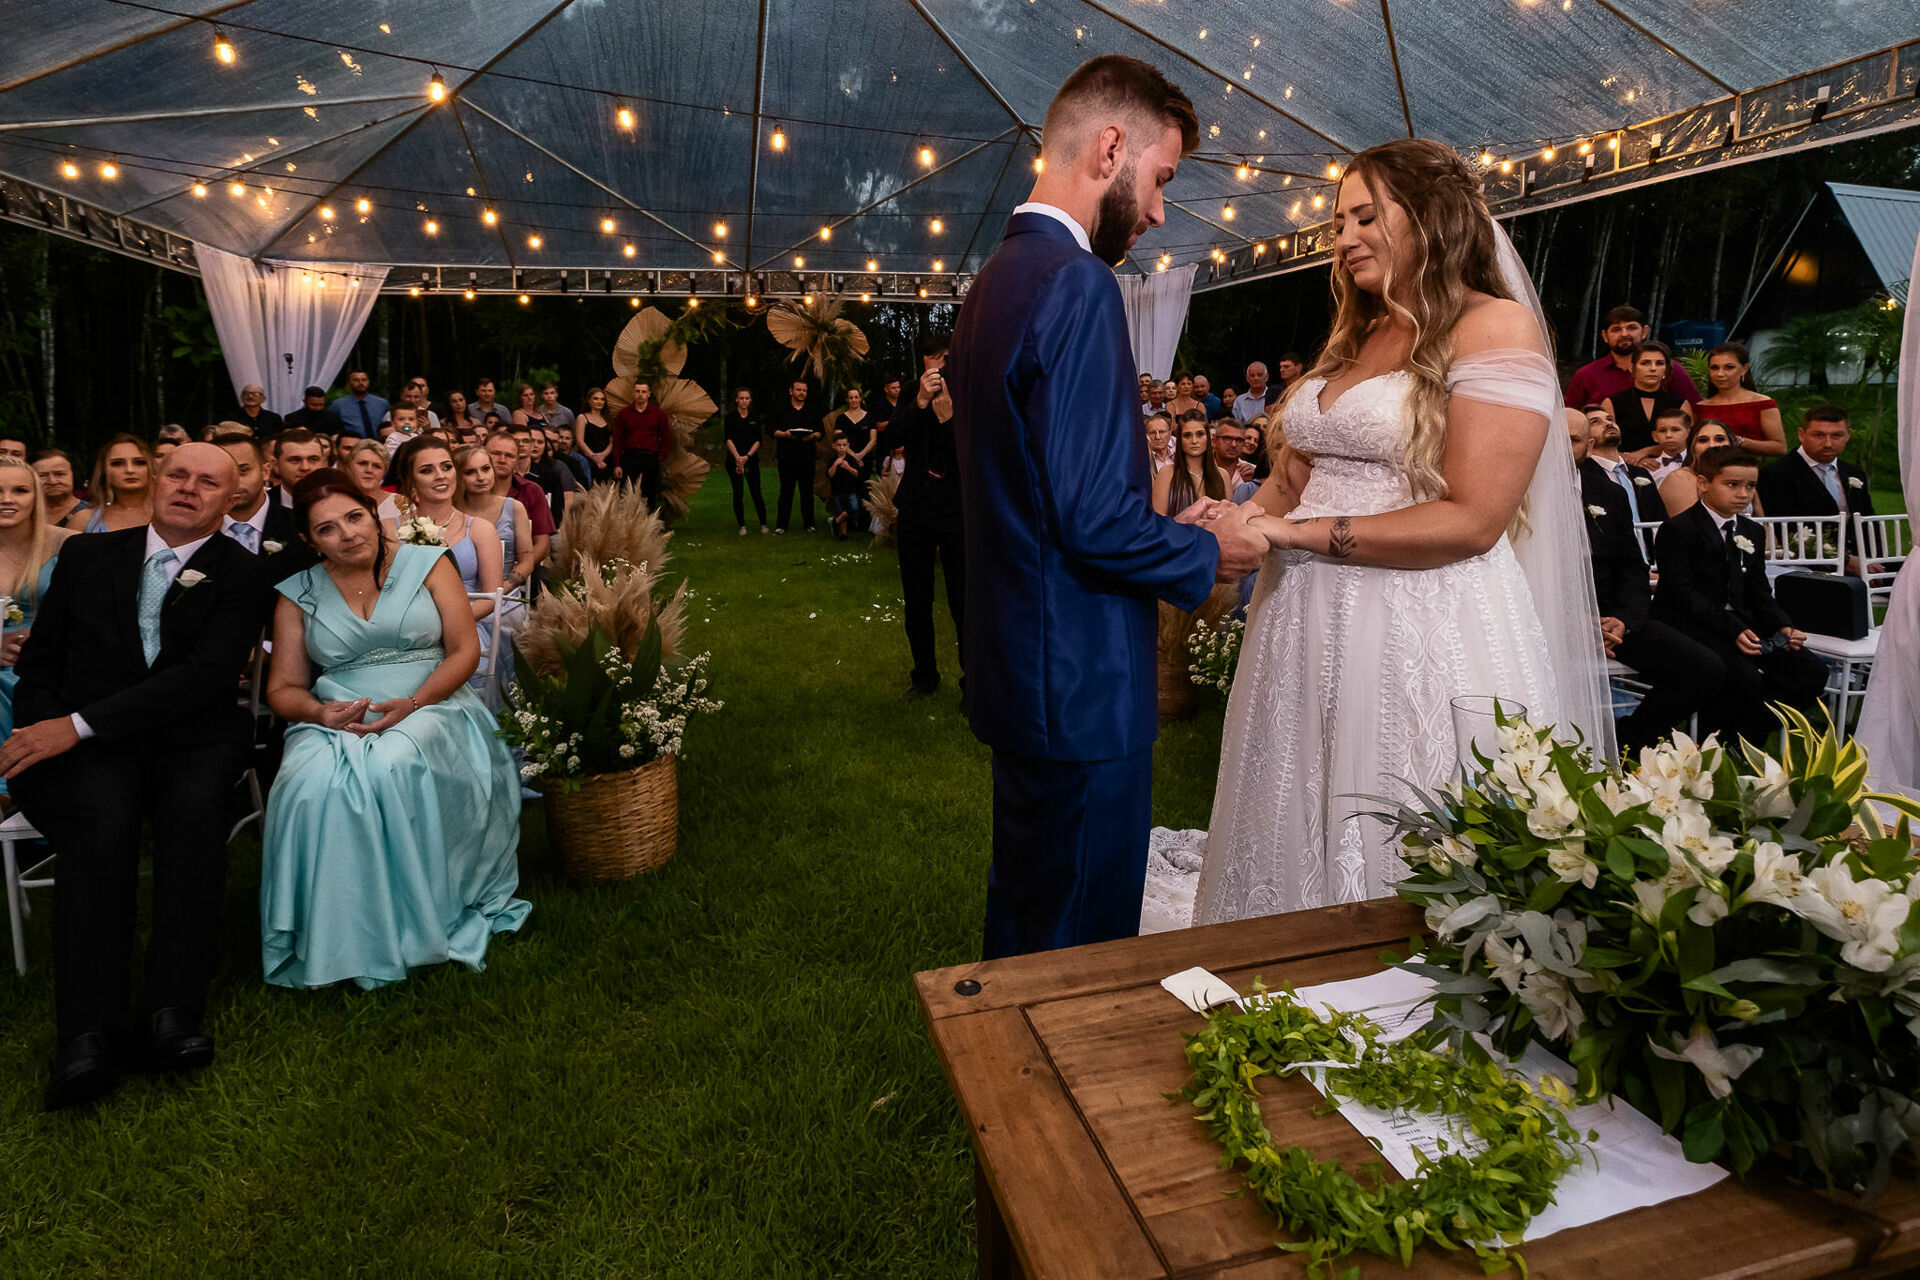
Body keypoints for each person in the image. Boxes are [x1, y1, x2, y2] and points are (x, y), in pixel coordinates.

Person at [1191, 136, 1611, 925]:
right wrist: (1226, 522)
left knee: (1399, 806)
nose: (1343, 237)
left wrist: (1294, 538)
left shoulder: (1497, 329)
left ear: (1429, 217)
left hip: (1421, 620)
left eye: (1363, 217)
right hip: (1304, 620)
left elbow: (1473, 519)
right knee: (1295, 798)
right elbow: (1294, 476)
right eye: (1338, 222)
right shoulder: (1359, 332)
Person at [951, 54, 1262, 958]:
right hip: (1082, 679)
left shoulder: (998, 281)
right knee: (1081, 950)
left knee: (1029, 915)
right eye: (1162, 178)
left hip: (1023, 666)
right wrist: (1212, 556)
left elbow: (1046, 494)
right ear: (1112, 147)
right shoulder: (1080, 284)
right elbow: (1087, 518)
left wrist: (1167, 526)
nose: (1161, 208)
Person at [4, 443, 272, 1109]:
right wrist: (43, 731)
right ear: (156, 481)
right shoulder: (88, 557)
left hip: (193, 739)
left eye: (208, 482)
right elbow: (40, 666)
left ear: (230, 498)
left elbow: (203, 678)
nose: (189, 488)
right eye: (178, 474)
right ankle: (87, 1033)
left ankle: (172, 1012)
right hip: (89, 749)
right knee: (101, 823)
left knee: (192, 816)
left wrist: (77, 724)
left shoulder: (242, 575)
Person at [260, 471, 528, 991]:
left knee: (391, 764)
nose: (348, 534)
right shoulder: (296, 595)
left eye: (355, 517)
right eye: (327, 529)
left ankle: (412, 922)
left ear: (374, 512)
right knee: (305, 783)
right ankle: (334, 935)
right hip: (338, 714)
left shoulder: (427, 563)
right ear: (309, 541)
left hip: (434, 702)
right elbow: (285, 688)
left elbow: (465, 651)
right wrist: (318, 715)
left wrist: (413, 702)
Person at [1651, 446, 1828, 743]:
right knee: (1742, 674)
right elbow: (1682, 593)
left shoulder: (1752, 531)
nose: (1743, 494)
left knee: (1810, 670)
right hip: (1690, 622)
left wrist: (1781, 624)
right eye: (1732, 485)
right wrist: (1734, 629)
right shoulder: (1678, 530)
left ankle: (1749, 728)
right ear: (1704, 484)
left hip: (1741, 621)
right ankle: (1724, 738)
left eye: (1750, 486)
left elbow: (1758, 588)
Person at [1568, 410, 1719, 752]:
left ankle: (1628, 739)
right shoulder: (1521, 495)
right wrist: (1578, 626)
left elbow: (1632, 568)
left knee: (1704, 668)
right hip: (1549, 622)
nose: (1562, 448)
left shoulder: (1609, 494)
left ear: (1588, 446)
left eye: (1573, 440)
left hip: (1612, 617)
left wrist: (1624, 620)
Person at [892, 346, 971, 702]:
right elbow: (892, 438)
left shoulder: (968, 389)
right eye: (930, 360)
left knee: (964, 602)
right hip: (915, 509)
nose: (937, 367)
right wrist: (921, 401)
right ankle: (924, 676)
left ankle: (974, 683)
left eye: (944, 358)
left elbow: (973, 454)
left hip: (956, 511)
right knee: (917, 599)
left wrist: (950, 418)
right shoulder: (912, 392)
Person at [0, 459, 72, 804]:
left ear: (36, 497)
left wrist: (48, 639)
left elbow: (96, 612)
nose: (7, 499)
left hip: (59, 662)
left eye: (20, 490)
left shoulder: (68, 545)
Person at [393, 437, 503, 658]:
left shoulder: (481, 529)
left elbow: (491, 598)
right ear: (410, 481)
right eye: (427, 470)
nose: (440, 475)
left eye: (446, 467)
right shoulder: (389, 530)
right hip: (402, 633)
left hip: (465, 628)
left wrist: (445, 627)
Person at [1757, 404, 1878, 576]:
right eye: (1819, 435)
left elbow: (1868, 521)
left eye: (1837, 435)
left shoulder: (1853, 472)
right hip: (1810, 565)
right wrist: (1846, 561)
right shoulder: (1777, 474)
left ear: (1848, 435)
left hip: (1862, 560)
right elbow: (1785, 531)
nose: (1828, 443)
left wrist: (1874, 560)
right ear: (1801, 434)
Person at [1564, 305, 1703, 410]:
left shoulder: (1668, 368)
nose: (1624, 334)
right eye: (1616, 329)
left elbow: (1694, 410)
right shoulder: (1586, 375)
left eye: (1632, 328)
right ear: (1605, 336)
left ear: (1644, 332)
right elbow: (1569, 419)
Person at [213, 432, 310, 582]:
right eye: (221, 474)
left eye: (243, 471)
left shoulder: (300, 526)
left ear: (265, 472)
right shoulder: (196, 530)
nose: (234, 481)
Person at [456, 445, 538, 598]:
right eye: (470, 472)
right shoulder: (450, 511)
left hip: (504, 595)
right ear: (457, 476)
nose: (481, 477)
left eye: (486, 469)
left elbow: (527, 560)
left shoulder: (514, 507)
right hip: (458, 595)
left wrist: (500, 591)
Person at [1695, 342, 1785, 457]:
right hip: (1708, 471)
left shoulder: (1763, 404)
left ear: (1744, 369)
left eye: (1729, 367)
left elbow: (1780, 447)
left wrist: (1739, 441)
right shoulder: (1701, 407)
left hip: (1749, 471)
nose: (1720, 373)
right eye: (1714, 368)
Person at [1601, 340, 1691, 455]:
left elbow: (1688, 443)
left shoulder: (1680, 404)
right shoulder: (1612, 403)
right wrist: (1630, 459)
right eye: (1645, 363)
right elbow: (1603, 444)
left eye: (1659, 363)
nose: (1653, 368)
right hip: (1625, 467)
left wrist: (1646, 452)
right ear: (1632, 368)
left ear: (1667, 369)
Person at [484, 430, 554, 578]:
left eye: (509, 456)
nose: (502, 460)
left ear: (516, 461)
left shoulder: (532, 491)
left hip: (515, 572)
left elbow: (543, 545)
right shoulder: (465, 490)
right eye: (495, 453)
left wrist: (519, 570)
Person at [1582, 403, 1658, 537]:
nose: (1608, 423)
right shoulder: (1583, 477)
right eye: (1595, 422)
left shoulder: (1641, 474)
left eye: (1610, 419)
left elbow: (1659, 517)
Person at [68, 435, 153, 533]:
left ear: (151, 468)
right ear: (104, 471)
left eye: (139, 462)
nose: (130, 470)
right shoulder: (83, 520)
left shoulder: (169, 516)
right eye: (117, 463)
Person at [1657, 418, 1737, 517]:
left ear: (1731, 444)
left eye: (1720, 439)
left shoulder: (1740, 476)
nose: (1712, 445)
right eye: (1703, 440)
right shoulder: (1679, 478)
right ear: (1692, 448)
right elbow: (1691, 528)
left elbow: (1761, 518)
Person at [771, 378, 820, 534]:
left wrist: (811, 436)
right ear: (791, 391)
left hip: (807, 457)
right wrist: (785, 435)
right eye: (798, 389)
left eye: (804, 390)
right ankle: (781, 525)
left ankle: (809, 524)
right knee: (786, 492)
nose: (801, 393)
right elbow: (771, 430)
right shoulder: (781, 409)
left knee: (807, 492)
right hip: (786, 457)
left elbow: (821, 432)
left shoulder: (813, 410)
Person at [613, 380, 671, 511]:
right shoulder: (624, 414)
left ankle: (649, 524)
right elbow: (617, 440)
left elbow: (666, 438)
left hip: (650, 458)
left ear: (648, 394)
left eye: (643, 392)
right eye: (638, 391)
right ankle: (630, 524)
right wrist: (617, 464)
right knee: (629, 492)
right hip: (629, 458)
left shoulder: (658, 414)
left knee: (650, 493)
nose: (640, 394)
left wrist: (660, 457)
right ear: (633, 393)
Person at [1152, 414, 1226, 516]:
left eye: (1200, 434)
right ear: (1179, 439)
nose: (1194, 441)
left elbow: (1227, 519)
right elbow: (1159, 520)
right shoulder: (1166, 474)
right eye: (1187, 435)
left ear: (1208, 438)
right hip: (1176, 531)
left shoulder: (1222, 475)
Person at [722, 387, 769, 535]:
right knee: (738, 493)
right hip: (733, 460)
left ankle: (764, 524)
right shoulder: (730, 418)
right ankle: (742, 526)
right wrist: (738, 459)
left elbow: (758, 441)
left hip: (751, 459)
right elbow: (728, 439)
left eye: (747, 398)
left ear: (750, 400)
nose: (744, 401)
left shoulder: (755, 418)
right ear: (736, 399)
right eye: (741, 398)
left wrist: (747, 457)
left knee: (756, 493)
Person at [343, 437, 403, 527]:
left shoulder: (401, 503)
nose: (369, 470)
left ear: (384, 472)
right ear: (348, 467)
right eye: (362, 463)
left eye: (377, 466)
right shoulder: (335, 502)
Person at [269, 429, 329, 508]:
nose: (305, 467)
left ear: (324, 463)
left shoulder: (342, 502)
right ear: (276, 465)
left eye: (313, 459)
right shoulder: (261, 505)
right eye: (295, 460)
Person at [32, 449, 87, 528]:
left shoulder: (92, 515)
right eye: (42, 475)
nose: (52, 481)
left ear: (73, 475)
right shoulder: (24, 514)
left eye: (59, 474)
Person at [329, 371, 389, 439]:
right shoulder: (338, 405)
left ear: (368, 382)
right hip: (352, 443)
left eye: (364, 380)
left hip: (380, 442)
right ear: (349, 383)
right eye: (356, 380)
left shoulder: (382, 403)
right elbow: (333, 428)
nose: (361, 383)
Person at [826, 436, 864, 540]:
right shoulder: (833, 459)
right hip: (838, 491)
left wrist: (848, 467)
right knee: (841, 510)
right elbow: (830, 475)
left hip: (851, 490)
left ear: (848, 446)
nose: (842, 447)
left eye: (844, 445)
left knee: (853, 508)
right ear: (834, 446)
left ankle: (835, 521)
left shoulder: (851, 460)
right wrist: (835, 465)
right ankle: (843, 533)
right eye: (839, 445)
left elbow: (857, 474)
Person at [574, 387, 615, 483]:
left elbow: (612, 442)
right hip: (588, 460)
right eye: (595, 398)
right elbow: (580, 441)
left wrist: (603, 456)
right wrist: (594, 458)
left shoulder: (608, 419)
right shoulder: (582, 417)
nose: (599, 401)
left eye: (602, 399)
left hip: (606, 460)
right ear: (589, 400)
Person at [1643, 404, 1691, 483]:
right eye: (1662, 431)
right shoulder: (1649, 469)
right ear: (1655, 436)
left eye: (1675, 430)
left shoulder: (1699, 463)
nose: (1668, 435)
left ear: (1688, 433)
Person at [837, 388, 877, 474]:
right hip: (846, 458)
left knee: (864, 485)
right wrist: (855, 457)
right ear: (847, 400)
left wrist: (861, 455)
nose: (854, 400)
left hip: (866, 458)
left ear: (860, 399)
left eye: (856, 397)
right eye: (851, 398)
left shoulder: (870, 417)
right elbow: (838, 440)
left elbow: (873, 440)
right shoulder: (840, 419)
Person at [1210, 418, 1254, 487]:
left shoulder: (1252, 472)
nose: (1234, 444)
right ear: (1214, 440)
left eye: (1239, 440)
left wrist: (1253, 484)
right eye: (1227, 438)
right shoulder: (1200, 469)